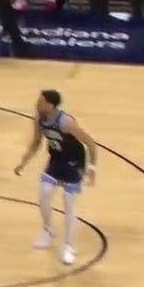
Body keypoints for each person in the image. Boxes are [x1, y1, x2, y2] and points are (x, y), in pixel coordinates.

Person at [13, 90, 98, 266]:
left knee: (68, 203)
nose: (37, 104)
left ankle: (68, 246)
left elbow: (91, 143)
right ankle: (48, 231)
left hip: (74, 162)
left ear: (51, 105)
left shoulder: (66, 122)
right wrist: (23, 162)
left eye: (41, 101)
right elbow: (36, 143)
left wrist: (92, 167)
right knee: (44, 193)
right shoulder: (39, 119)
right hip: (57, 159)